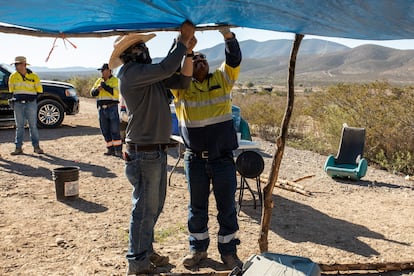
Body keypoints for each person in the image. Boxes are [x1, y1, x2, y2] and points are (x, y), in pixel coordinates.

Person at [108, 20, 196, 275]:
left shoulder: (148, 75)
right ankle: (137, 262)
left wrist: (187, 51)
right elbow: (169, 66)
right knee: (144, 209)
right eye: (138, 47)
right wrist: (182, 41)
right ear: (130, 55)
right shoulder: (131, 73)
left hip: (154, 151)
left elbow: (183, 81)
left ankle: (144, 250)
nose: (143, 50)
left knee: (153, 207)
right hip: (144, 153)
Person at [170, 27, 243, 270]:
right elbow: (170, 69)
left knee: (227, 207)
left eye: (203, 59)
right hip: (196, 160)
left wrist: (228, 37)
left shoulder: (222, 80)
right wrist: (185, 49)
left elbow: (233, 60)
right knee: (197, 207)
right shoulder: (181, 87)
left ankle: (229, 252)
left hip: (222, 159)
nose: (200, 62)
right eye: (195, 59)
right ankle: (198, 249)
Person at [8, 56, 44, 155]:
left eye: (17, 64)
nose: (15, 66)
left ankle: (36, 147)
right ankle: (18, 148)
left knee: (33, 126)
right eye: (15, 64)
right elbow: (12, 91)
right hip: (18, 104)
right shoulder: (13, 77)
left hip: (30, 104)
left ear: (23, 64)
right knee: (19, 126)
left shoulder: (34, 76)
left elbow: (39, 91)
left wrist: (31, 99)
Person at [90, 63, 122, 157]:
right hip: (101, 109)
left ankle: (118, 150)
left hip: (112, 108)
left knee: (115, 130)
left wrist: (105, 86)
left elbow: (116, 93)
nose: (101, 72)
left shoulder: (116, 81)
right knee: (105, 130)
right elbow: (92, 93)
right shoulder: (99, 80)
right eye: (101, 71)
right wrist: (98, 89)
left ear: (109, 71)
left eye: (103, 70)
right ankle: (110, 149)